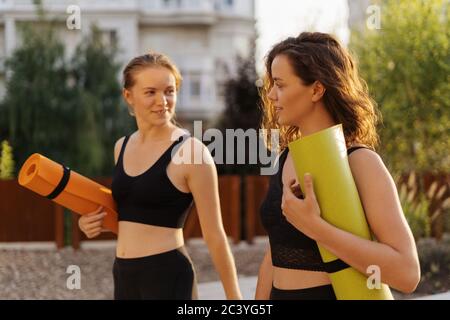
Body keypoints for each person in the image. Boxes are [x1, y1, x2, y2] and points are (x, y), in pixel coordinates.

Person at [255, 32, 420, 300]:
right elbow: (275, 252)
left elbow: (407, 272)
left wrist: (316, 228)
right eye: (272, 84)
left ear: (317, 90)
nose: (271, 95)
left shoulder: (360, 162)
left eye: (281, 85)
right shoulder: (285, 158)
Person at [78, 52, 242, 300]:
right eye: (150, 92)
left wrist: (235, 300)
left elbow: (215, 235)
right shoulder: (121, 146)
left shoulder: (192, 152)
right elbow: (130, 215)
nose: (162, 100)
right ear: (128, 96)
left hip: (168, 276)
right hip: (123, 275)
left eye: (169, 90)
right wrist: (89, 224)